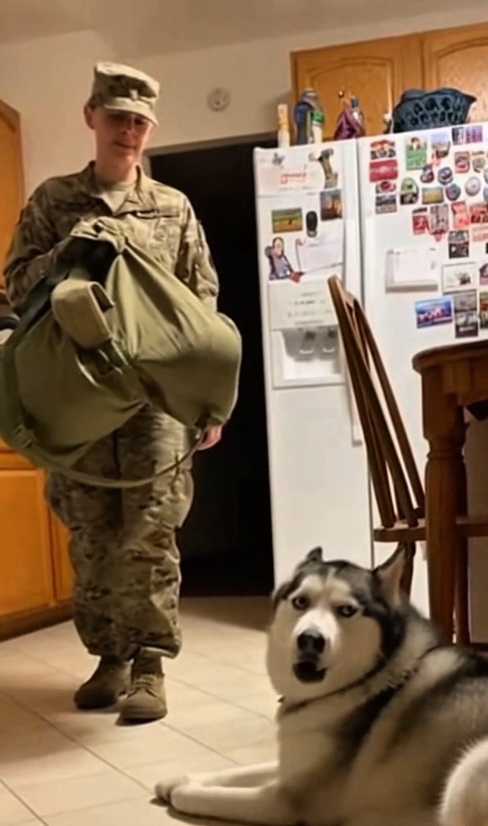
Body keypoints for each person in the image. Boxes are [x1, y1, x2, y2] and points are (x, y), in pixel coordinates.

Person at [2, 62, 223, 723]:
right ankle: (110, 658)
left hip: (155, 397)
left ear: (149, 129)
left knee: (151, 530)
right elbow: (15, 287)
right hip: (76, 393)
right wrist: (68, 249)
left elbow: (202, 304)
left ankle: (150, 666)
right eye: (117, 116)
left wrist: (209, 397)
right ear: (91, 117)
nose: (127, 130)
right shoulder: (50, 201)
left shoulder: (172, 209)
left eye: (138, 120)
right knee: (91, 532)